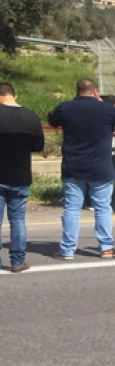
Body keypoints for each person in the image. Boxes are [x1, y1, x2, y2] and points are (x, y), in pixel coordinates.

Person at [48, 78, 115, 260]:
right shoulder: (106, 109)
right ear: (95, 92)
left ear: (76, 91)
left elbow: (52, 119)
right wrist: (101, 103)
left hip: (73, 166)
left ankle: (67, 249)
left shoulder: (66, 107)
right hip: (100, 166)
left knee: (72, 208)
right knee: (102, 207)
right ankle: (106, 247)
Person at [0, 83, 45, 272]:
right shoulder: (31, 116)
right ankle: (18, 261)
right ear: (14, 95)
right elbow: (38, 146)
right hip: (21, 176)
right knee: (17, 220)